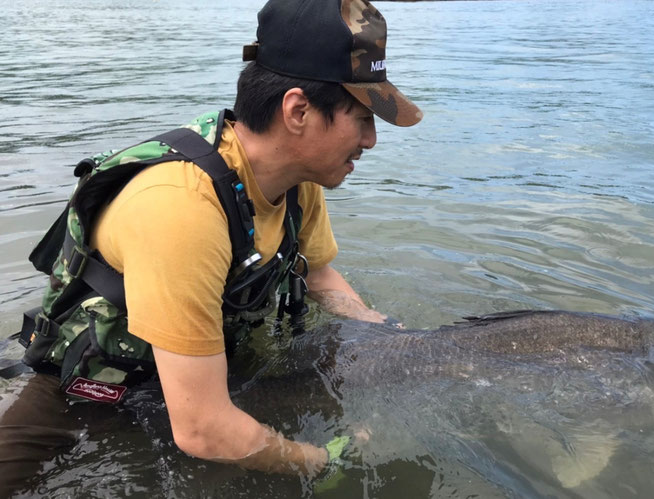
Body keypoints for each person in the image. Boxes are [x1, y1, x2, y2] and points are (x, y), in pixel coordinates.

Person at [0, 0, 422, 493]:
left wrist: (390, 336)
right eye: (363, 118)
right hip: (93, 388)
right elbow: (202, 429)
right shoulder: (181, 208)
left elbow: (318, 275)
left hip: (202, 368)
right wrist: (319, 462)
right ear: (298, 111)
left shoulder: (297, 178)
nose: (371, 140)